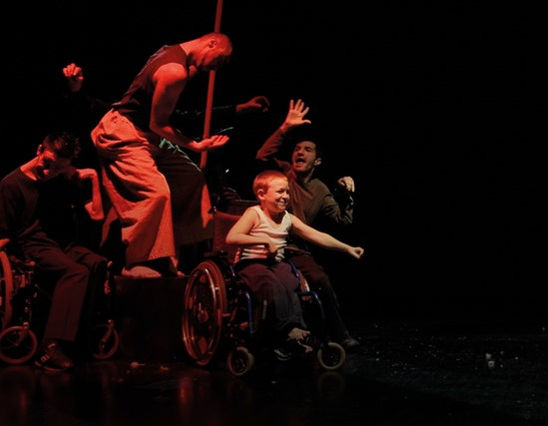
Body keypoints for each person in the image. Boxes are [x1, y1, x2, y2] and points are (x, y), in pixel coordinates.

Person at [90, 33, 234, 278]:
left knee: (190, 178)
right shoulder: (174, 71)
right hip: (123, 133)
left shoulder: (173, 52)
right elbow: (159, 124)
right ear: (211, 43)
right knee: (156, 193)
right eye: (218, 61)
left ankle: (169, 252)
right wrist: (196, 145)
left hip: (148, 136)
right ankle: (139, 260)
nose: (215, 69)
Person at [255, 99, 360, 348]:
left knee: (320, 279)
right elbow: (262, 156)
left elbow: (343, 220)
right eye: (297, 149)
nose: (300, 152)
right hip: (270, 244)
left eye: (307, 150)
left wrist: (346, 194)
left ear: (318, 161)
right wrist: (285, 128)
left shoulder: (320, 189)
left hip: (297, 250)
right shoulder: (282, 174)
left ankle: (339, 333)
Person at [225, 171, 363, 358]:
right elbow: (232, 237)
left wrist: (347, 248)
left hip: (275, 263)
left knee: (292, 284)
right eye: (280, 192)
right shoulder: (254, 214)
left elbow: (317, 236)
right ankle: (287, 331)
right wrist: (264, 240)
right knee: (271, 285)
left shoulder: (288, 218)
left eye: (287, 192)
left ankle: (295, 330)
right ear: (261, 195)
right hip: (251, 264)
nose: (285, 196)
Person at [0, 133, 105, 371]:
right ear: (39, 149)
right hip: (32, 244)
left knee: (97, 263)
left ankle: (81, 335)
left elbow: (97, 214)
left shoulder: (60, 177)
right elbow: (4, 233)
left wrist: (93, 178)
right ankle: (50, 346)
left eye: (58, 168)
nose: (49, 172)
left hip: (60, 243)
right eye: (47, 163)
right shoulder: (11, 185)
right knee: (75, 272)